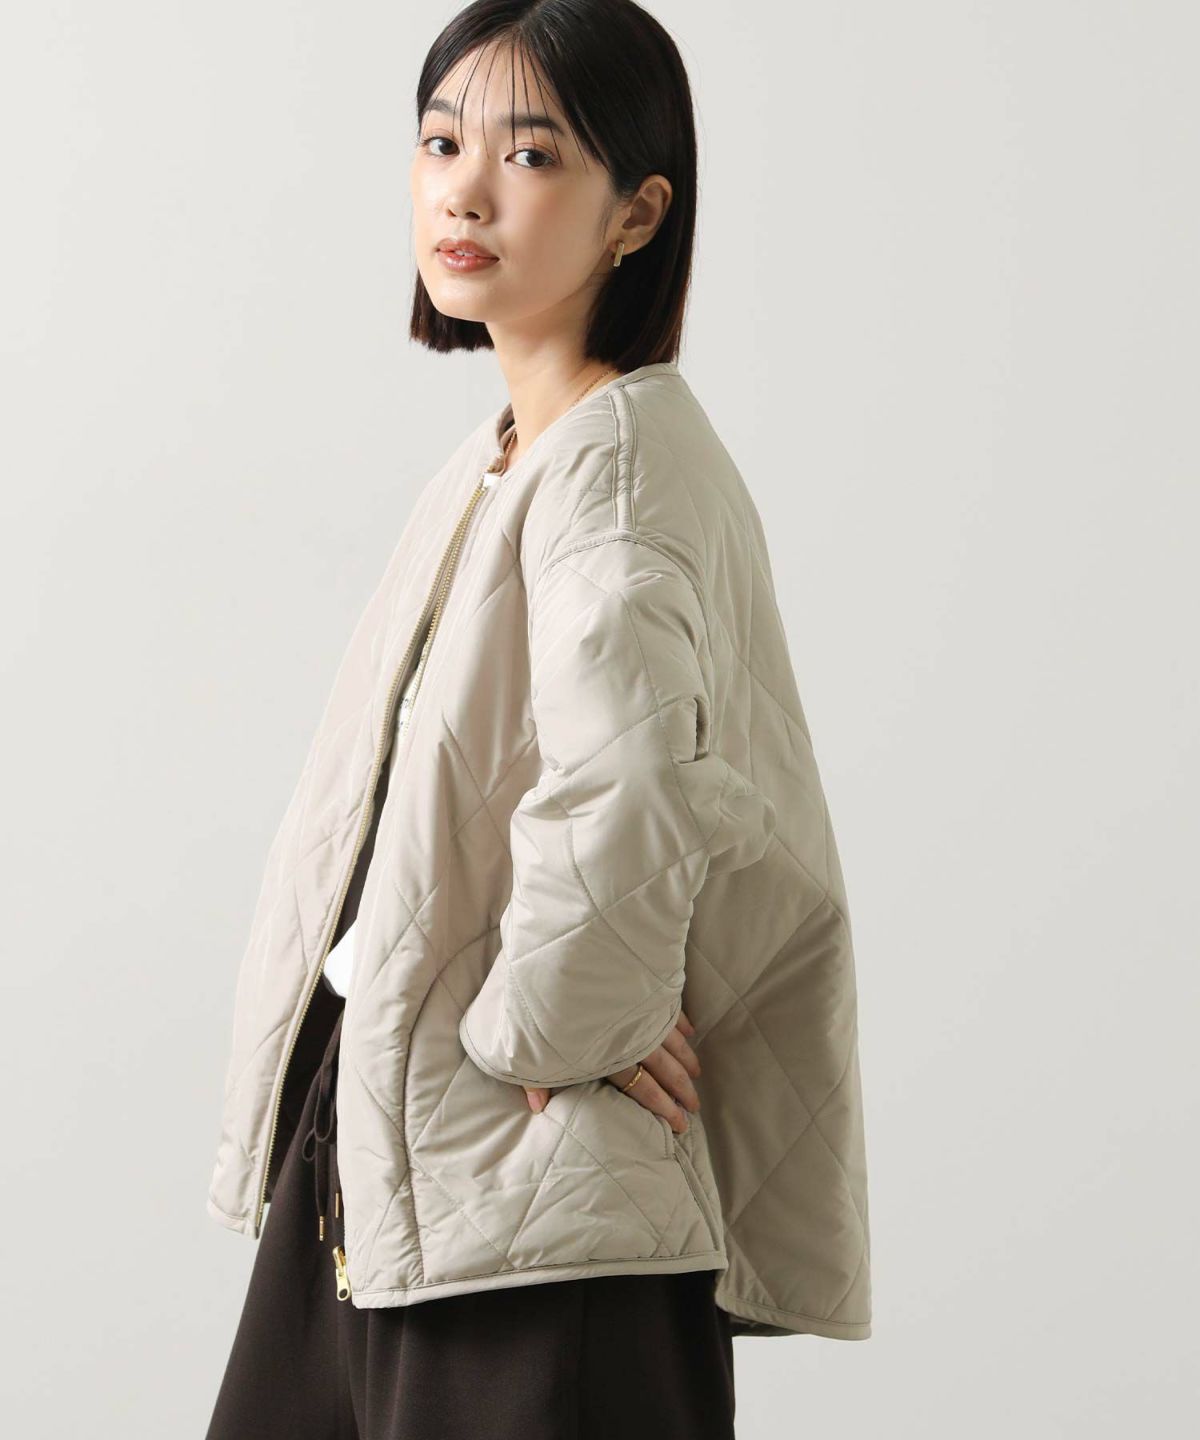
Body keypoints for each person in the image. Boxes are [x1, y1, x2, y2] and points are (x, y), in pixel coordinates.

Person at [205, 3, 872, 1436]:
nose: (463, 190)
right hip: (416, 1169)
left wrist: (545, 1031)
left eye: (531, 153)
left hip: (521, 1203)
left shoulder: (608, 472)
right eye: (440, 141)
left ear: (637, 214)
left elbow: (630, 795)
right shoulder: (520, 456)